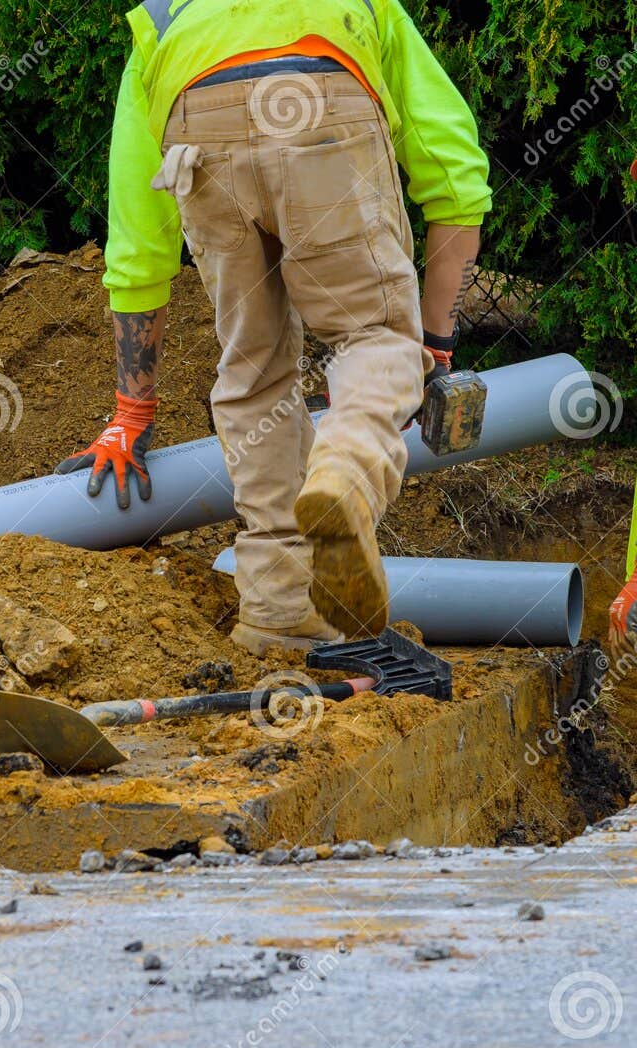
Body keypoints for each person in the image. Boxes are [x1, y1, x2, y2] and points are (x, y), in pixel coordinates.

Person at [60, 0, 490, 653]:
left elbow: (137, 235)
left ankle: (278, 608)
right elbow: (455, 174)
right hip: (325, 104)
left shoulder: (162, 16)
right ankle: (344, 475)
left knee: (254, 372)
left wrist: (131, 411)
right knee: (374, 339)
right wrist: (431, 345)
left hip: (195, 131)